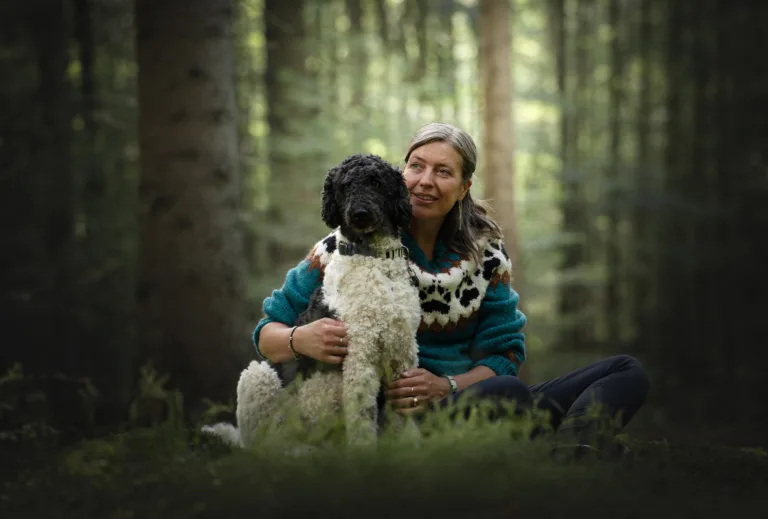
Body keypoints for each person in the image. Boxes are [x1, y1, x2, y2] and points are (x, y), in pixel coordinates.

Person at [253, 122, 649, 456]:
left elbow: (505, 355)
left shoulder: (487, 256)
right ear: (399, 173)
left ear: (464, 187)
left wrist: (447, 385)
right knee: (509, 396)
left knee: (624, 371)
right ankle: (550, 448)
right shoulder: (347, 246)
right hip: (403, 421)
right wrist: (299, 339)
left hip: (471, 396)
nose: (425, 181)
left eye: (443, 172)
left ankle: (569, 452)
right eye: (416, 166)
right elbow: (266, 334)